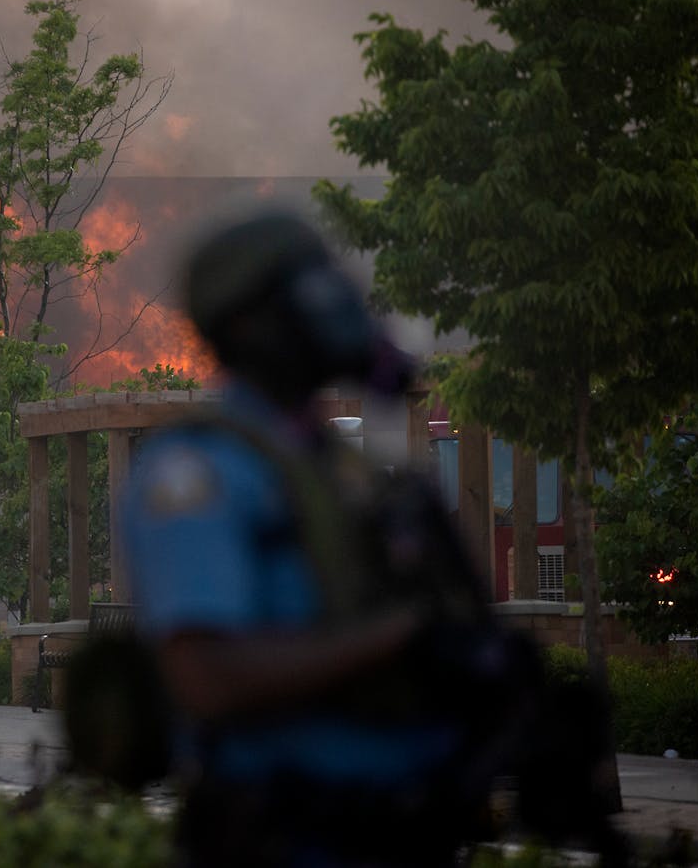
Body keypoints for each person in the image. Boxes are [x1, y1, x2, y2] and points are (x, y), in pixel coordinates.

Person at [118, 208, 524, 867]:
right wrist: (399, 639)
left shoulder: (349, 472)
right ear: (249, 321)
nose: (340, 304)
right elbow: (205, 678)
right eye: (310, 288)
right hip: (283, 839)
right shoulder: (197, 474)